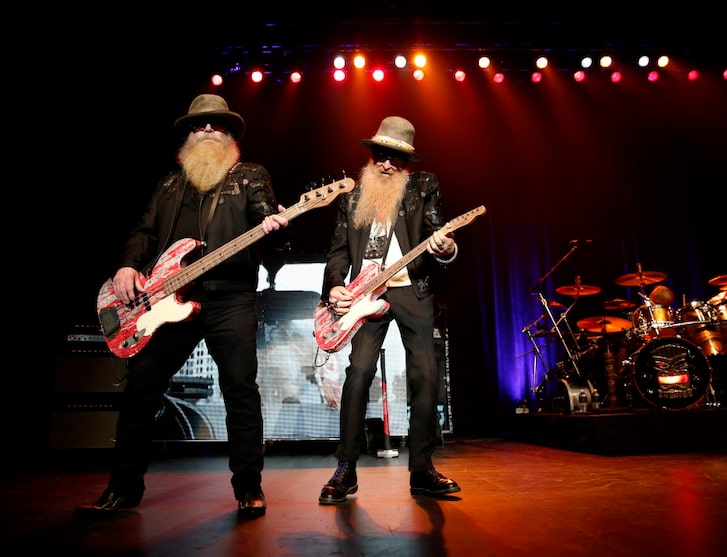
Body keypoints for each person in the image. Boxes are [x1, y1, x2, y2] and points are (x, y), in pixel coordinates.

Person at [75, 94, 290, 520]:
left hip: (230, 297)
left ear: (230, 136)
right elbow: (143, 232)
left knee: (240, 391)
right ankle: (122, 489)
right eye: (199, 125)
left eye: (217, 125)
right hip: (168, 299)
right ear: (188, 136)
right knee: (141, 388)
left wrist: (277, 230)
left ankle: (248, 488)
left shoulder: (249, 177)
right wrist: (126, 266)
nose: (208, 130)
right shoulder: (169, 184)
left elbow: (271, 230)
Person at [317, 115, 461, 504]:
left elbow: (437, 232)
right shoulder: (352, 195)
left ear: (407, 162)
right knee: (359, 372)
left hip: (412, 289)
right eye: (381, 155)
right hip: (365, 296)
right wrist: (334, 285)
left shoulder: (423, 186)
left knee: (425, 375)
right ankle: (345, 468)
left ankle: (422, 469)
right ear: (371, 155)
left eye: (395, 158)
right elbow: (338, 251)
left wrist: (445, 247)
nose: (385, 164)